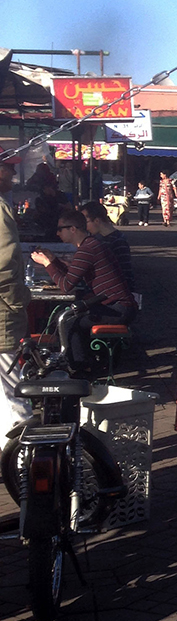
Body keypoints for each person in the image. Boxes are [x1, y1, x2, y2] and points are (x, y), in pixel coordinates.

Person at [30, 209, 136, 371]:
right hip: (115, 304)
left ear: (73, 229)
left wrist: (47, 264)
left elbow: (66, 286)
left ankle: (78, 368)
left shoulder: (88, 249)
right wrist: (53, 261)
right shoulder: (90, 245)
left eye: (60, 229)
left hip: (118, 308)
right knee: (64, 316)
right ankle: (75, 361)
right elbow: (72, 275)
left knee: (66, 322)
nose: (57, 233)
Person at [0, 161, 31, 438]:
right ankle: (24, 458)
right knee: (12, 391)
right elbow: (5, 262)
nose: (13, 174)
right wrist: (17, 300)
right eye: (9, 166)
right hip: (1, 315)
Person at [79, 199, 135, 294]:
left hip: (112, 296)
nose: (85, 227)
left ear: (97, 221)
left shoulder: (117, 241)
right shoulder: (101, 238)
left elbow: (124, 274)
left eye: (86, 223)